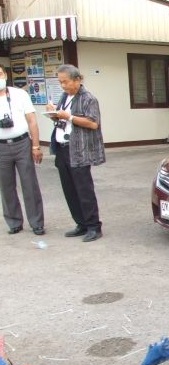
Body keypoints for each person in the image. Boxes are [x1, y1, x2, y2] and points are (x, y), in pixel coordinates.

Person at [45, 64, 105, 242]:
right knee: (69, 190)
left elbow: (93, 123)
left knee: (84, 190)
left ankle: (94, 226)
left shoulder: (88, 98)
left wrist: (69, 117)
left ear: (78, 80)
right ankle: (81, 223)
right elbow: (64, 118)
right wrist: (54, 114)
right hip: (62, 148)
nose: (63, 86)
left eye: (66, 82)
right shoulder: (65, 96)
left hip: (79, 150)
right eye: (60, 82)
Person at [0, 65, 45, 235]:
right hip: (1, 146)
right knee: (6, 186)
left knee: (29, 183)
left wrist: (36, 145)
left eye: (0, 74)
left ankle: (37, 223)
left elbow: (32, 120)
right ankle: (14, 222)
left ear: (5, 74)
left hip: (22, 143)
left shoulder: (20, 94)